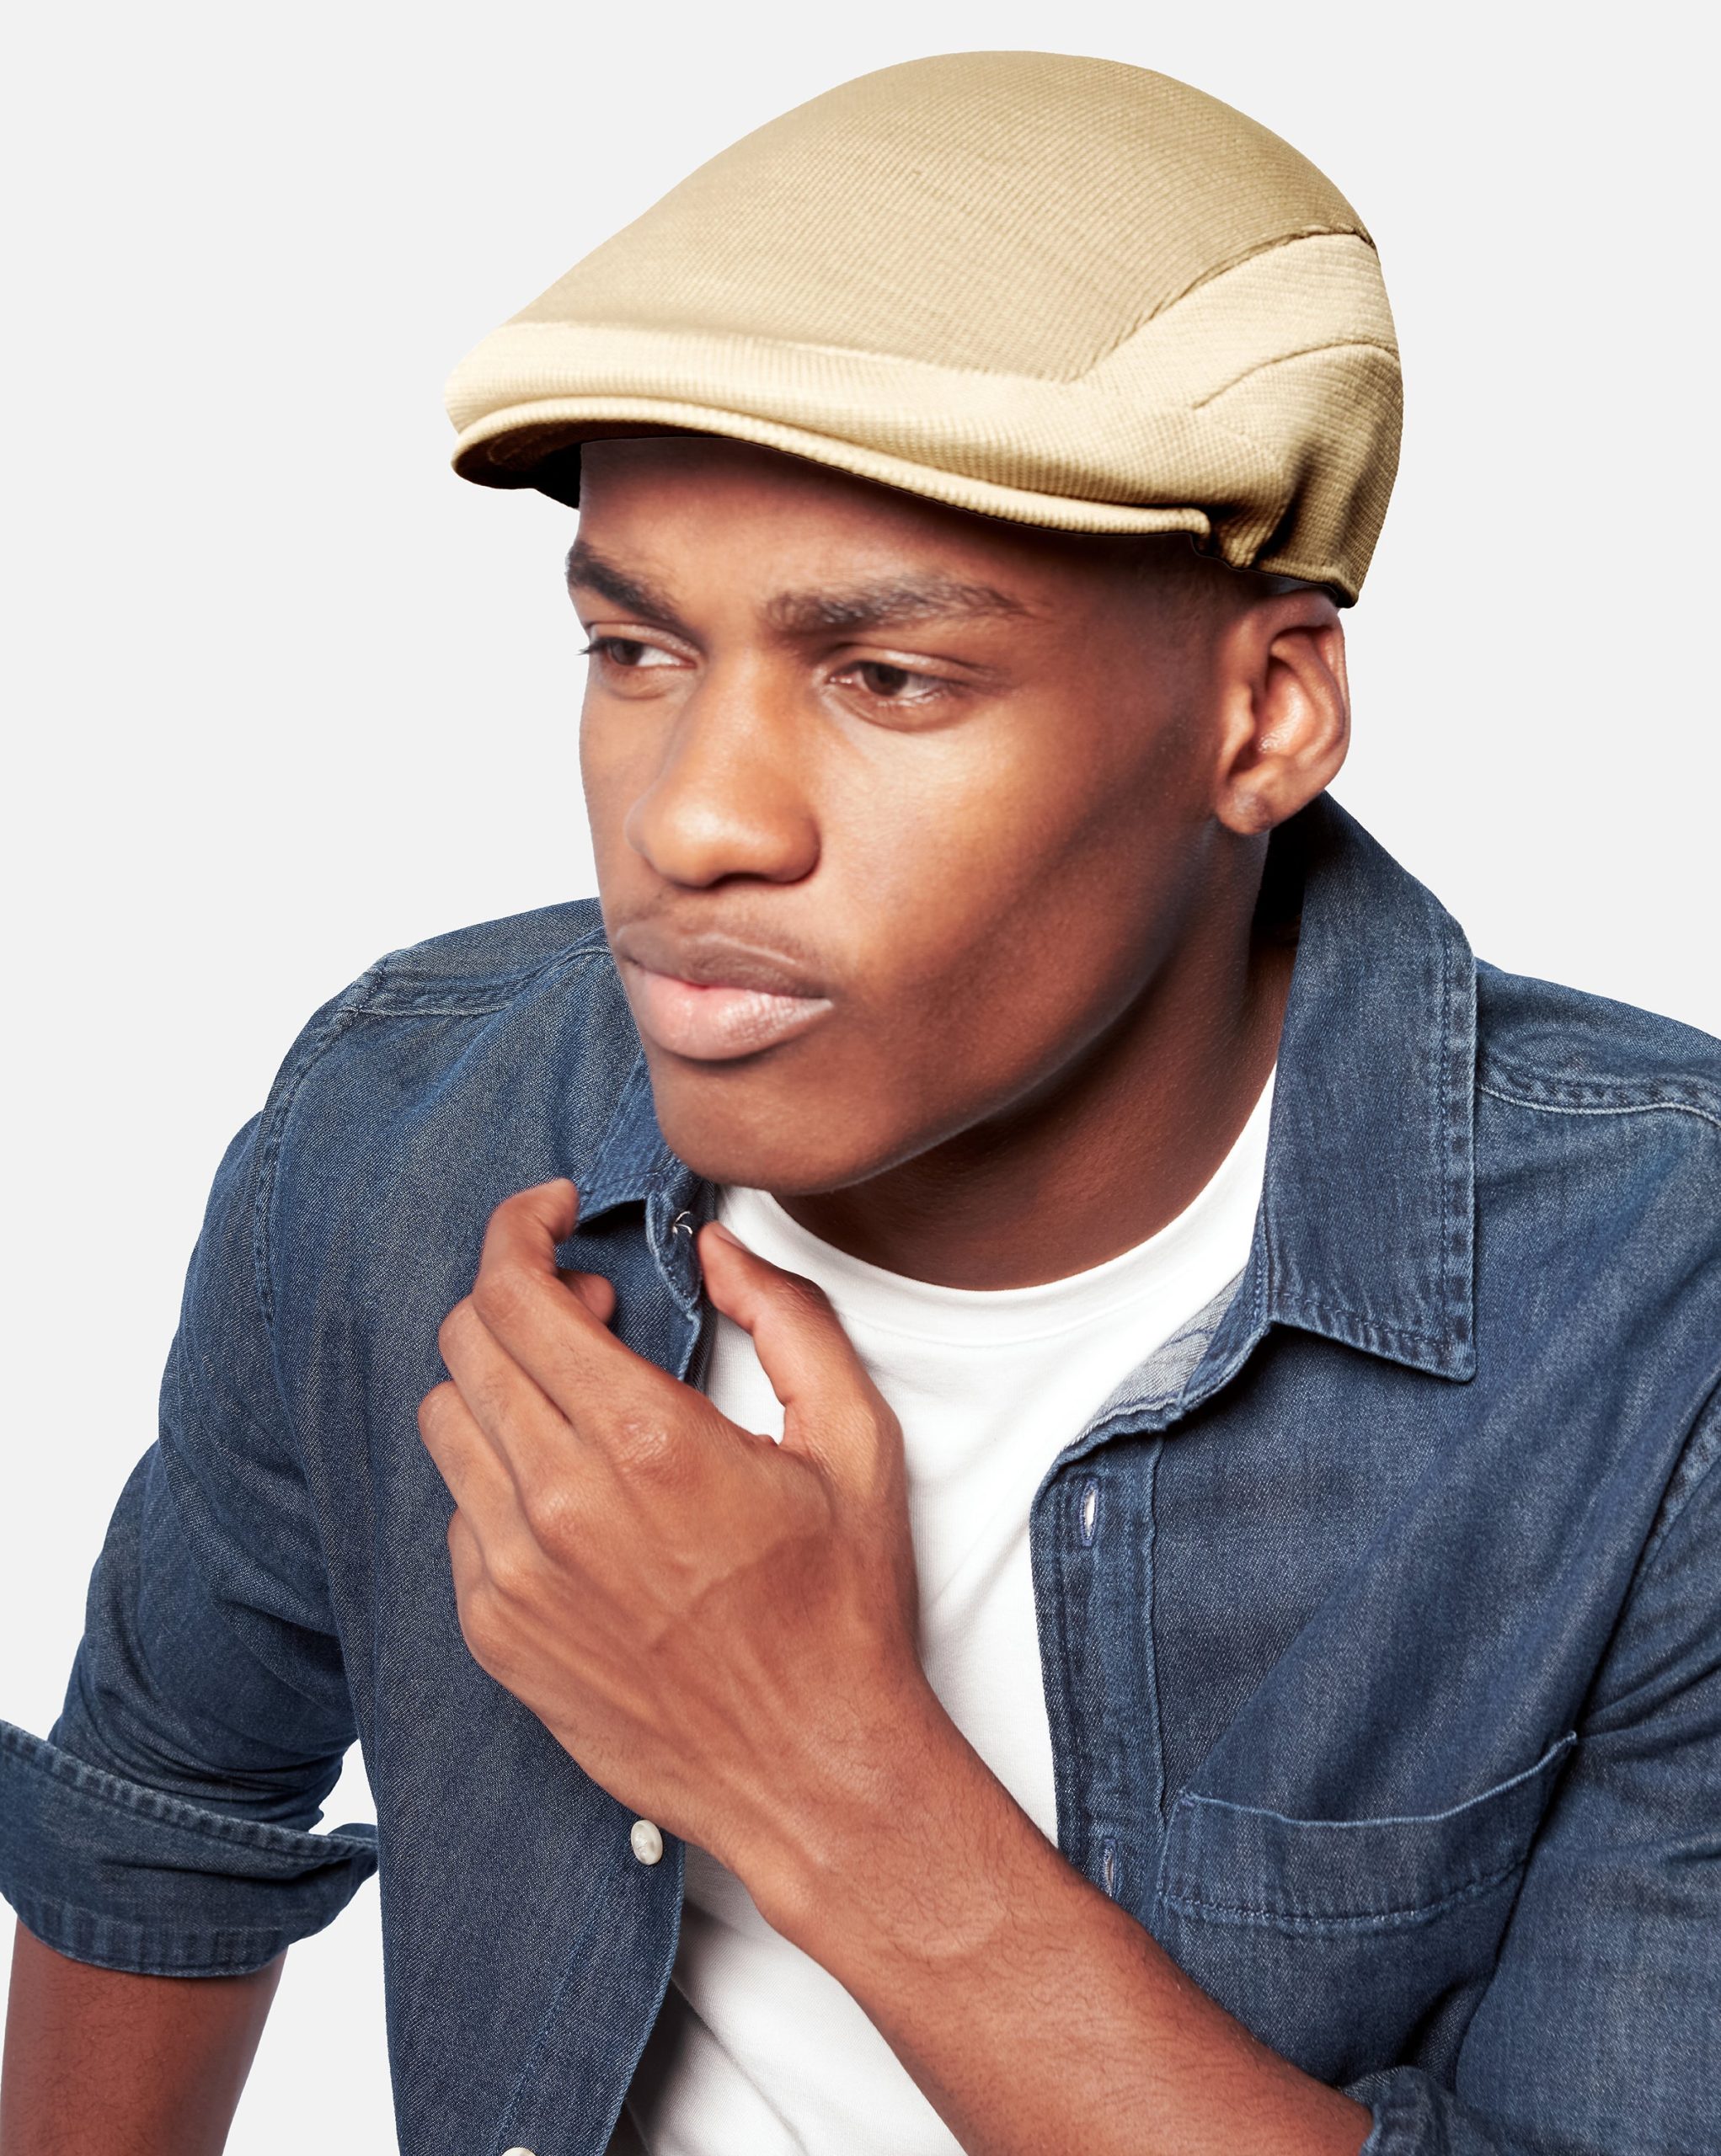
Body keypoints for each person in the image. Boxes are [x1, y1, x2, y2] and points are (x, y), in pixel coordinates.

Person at [2, 49, 1716, 2156]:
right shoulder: (404, 1118)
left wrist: (823, 1773)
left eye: (887, 677)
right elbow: (161, 1813)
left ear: (1263, 713)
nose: (693, 821)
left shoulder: (1657, 1320)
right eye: (635, 652)